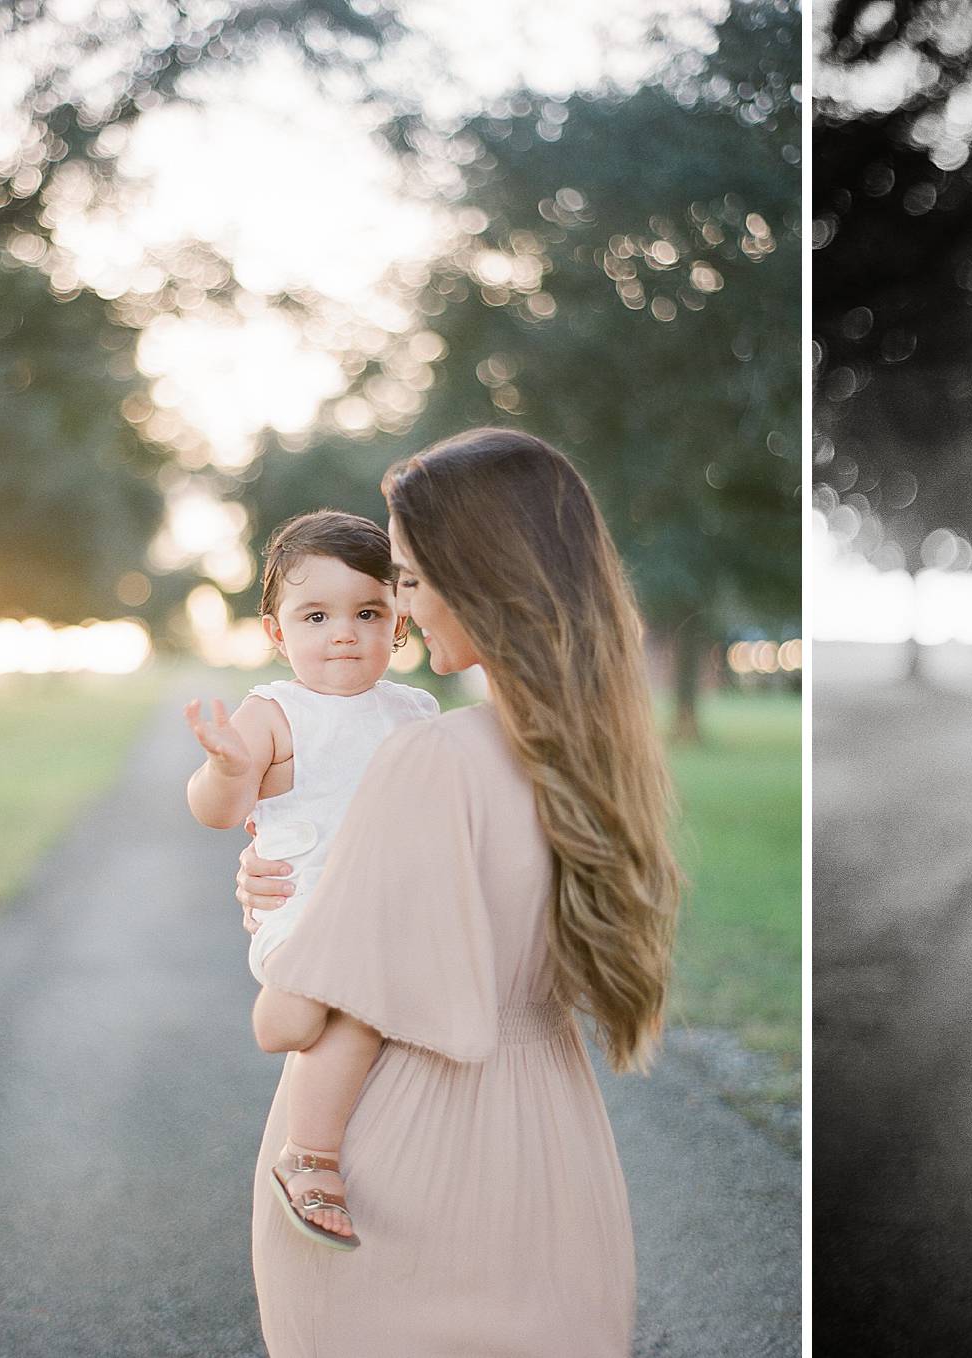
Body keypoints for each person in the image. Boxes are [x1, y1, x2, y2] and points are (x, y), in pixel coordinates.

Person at [235, 429, 680, 1357]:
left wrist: (286, 913)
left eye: (406, 577)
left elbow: (285, 1021)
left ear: (475, 576)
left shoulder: (433, 757)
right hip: (559, 1159)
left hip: (405, 1180)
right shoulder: (599, 761)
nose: (401, 606)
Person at [184, 510, 440, 1250]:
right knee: (348, 1004)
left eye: (368, 613)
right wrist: (227, 769)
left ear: (398, 622)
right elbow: (216, 812)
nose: (344, 633)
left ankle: (294, 1038)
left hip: (384, 915)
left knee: (360, 1001)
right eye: (317, 615)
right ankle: (310, 1158)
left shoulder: (413, 710)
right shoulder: (273, 712)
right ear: (276, 632)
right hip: (303, 913)